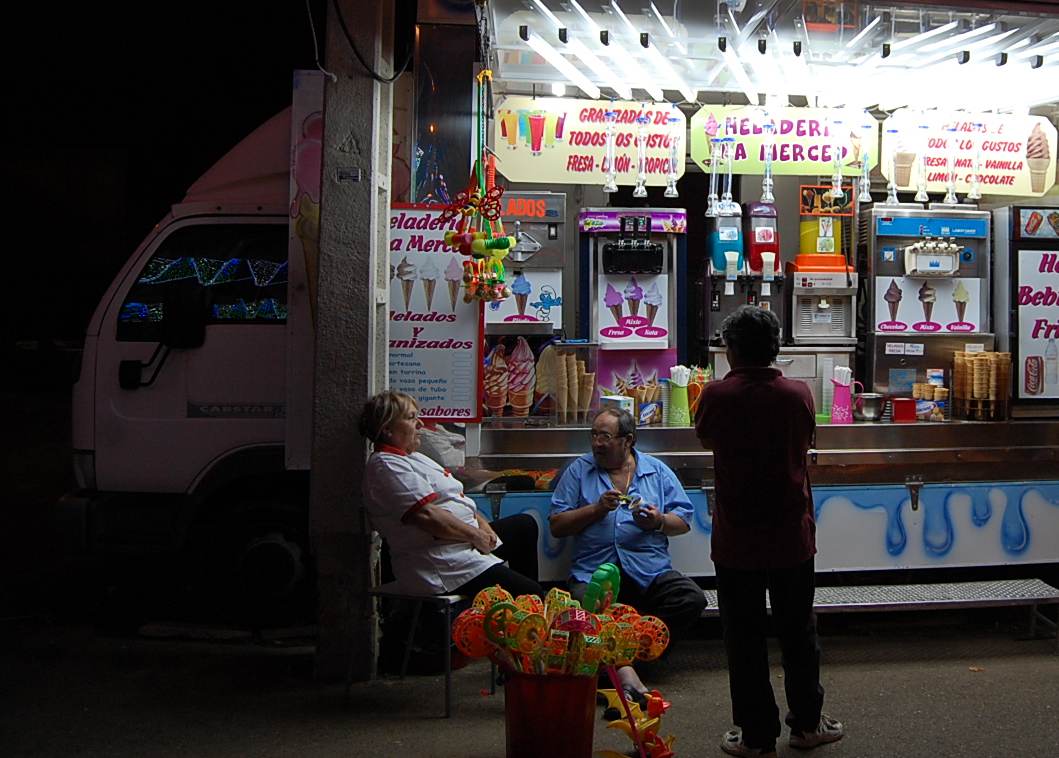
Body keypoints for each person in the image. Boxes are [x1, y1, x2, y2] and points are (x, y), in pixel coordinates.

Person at [695, 306, 843, 756]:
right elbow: (806, 440)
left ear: (733, 350)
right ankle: (806, 726)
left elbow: (705, 439)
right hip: (790, 536)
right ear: (774, 348)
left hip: (737, 538)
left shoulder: (716, 396)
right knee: (799, 632)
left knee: (743, 638)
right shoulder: (798, 394)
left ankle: (758, 737)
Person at [359, 391, 542, 666]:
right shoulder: (385, 467)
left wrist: (482, 525)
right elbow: (430, 517)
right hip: (442, 563)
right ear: (386, 429)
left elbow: (458, 500)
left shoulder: (412, 457)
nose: (420, 423)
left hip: (462, 545)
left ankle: (514, 629)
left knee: (524, 526)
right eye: (411, 418)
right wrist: (477, 536)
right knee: (533, 593)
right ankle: (521, 652)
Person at [550, 406, 706, 700]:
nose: (597, 443)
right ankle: (623, 668)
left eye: (606, 437)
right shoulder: (579, 471)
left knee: (690, 598)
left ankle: (629, 658)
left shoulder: (656, 471)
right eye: (594, 436)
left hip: (650, 571)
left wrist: (657, 521)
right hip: (594, 574)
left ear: (628, 440)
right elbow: (557, 525)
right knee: (585, 611)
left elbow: (683, 521)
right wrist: (595, 510)